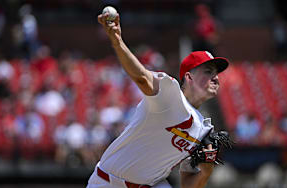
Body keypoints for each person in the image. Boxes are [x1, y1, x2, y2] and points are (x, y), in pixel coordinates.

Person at [87, 10, 229, 188]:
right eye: (208, 72)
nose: (215, 78)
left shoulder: (204, 131)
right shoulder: (170, 93)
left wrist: (206, 170)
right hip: (109, 182)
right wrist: (117, 41)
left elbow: (188, 185)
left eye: (216, 73)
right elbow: (142, 78)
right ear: (189, 78)